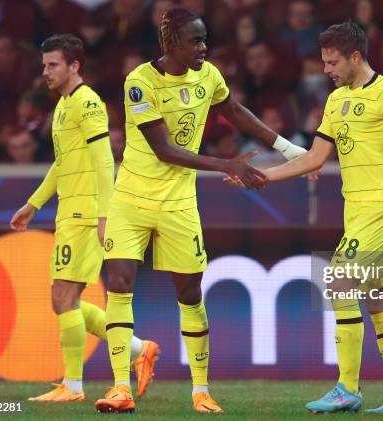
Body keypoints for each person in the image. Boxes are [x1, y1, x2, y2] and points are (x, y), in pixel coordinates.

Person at [93, 7, 307, 414]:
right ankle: (120, 386)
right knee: (119, 283)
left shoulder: (208, 76)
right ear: (172, 43)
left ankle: (200, 391)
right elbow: (164, 149)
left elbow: (235, 112)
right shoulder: (139, 82)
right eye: (195, 40)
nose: (204, 47)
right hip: (132, 199)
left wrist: (287, 148)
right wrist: (226, 164)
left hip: (179, 202)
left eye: (205, 39)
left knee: (189, 293)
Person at [237, 21, 383, 414]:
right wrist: (262, 177)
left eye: (332, 62)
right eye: (323, 62)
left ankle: (348, 387)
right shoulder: (335, 101)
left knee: (338, 279)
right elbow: (314, 158)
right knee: (379, 301)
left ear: (355, 57)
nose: (326, 70)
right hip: (357, 208)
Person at [9, 34, 159, 403]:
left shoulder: (88, 103)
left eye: (53, 65)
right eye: (44, 65)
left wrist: (104, 216)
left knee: (64, 296)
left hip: (86, 212)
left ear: (75, 66)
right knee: (65, 300)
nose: (46, 72)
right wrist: (34, 204)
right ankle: (140, 350)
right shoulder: (63, 105)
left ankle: (73, 386)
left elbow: (104, 161)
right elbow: (64, 165)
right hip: (69, 211)